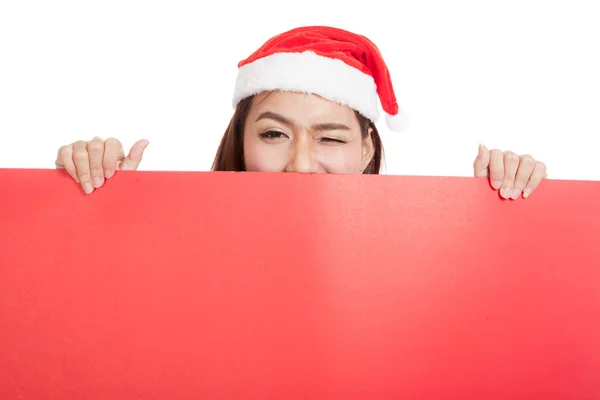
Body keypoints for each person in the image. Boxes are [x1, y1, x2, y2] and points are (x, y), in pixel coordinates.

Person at [55, 25, 547, 200]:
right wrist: (98, 209)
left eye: (330, 138)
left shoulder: (422, 262)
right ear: (240, 140)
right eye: (274, 135)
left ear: (366, 149)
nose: (300, 165)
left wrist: (500, 214)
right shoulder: (177, 251)